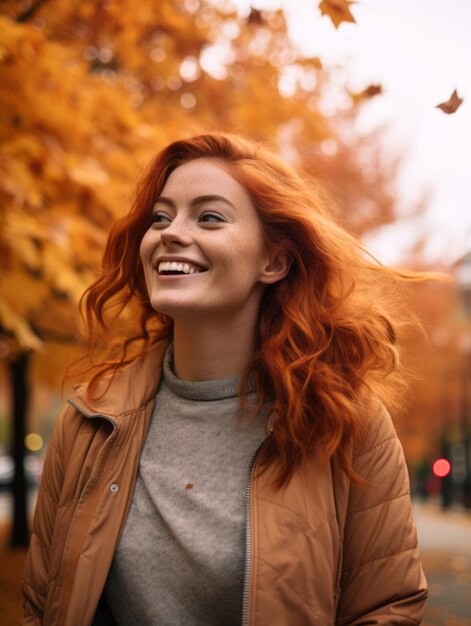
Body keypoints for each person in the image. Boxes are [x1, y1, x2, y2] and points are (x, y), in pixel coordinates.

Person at [22, 132, 428, 625]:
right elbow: (43, 607)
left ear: (273, 261)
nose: (171, 232)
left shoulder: (348, 424)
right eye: (160, 216)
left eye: (209, 216)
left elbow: (386, 609)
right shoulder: (89, 421)